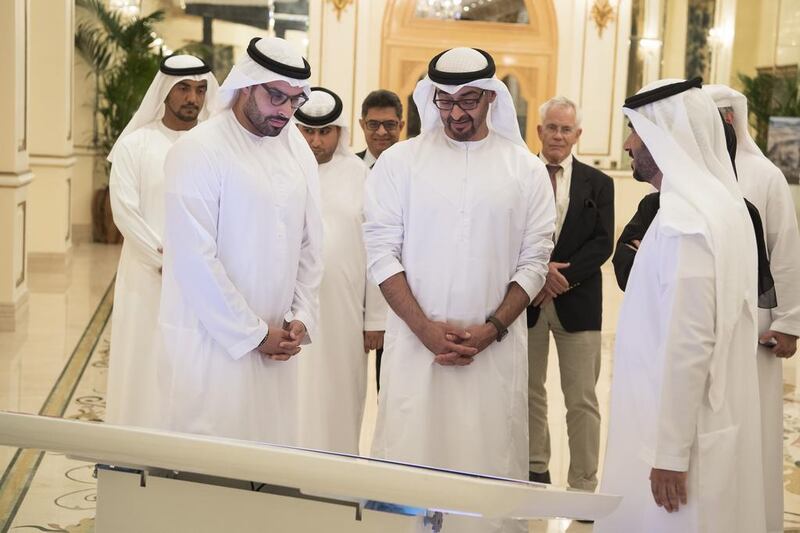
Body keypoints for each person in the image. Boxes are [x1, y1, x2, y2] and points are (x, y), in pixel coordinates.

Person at [363, 47, 555, 533]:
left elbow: (534, 261)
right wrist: (424, 329)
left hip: (493, 354)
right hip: (415, 350)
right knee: (411, 461)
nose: (455, 113)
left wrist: (493, 328)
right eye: (444, 101)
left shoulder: (525, 170)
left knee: (486, 465)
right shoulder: (400, 164)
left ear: (491, 98)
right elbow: (381, 254)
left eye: (468, 100)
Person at [595, 78, 766, 533]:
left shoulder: (683, 220)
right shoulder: (720, 208)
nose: (629, 145)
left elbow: (689, 342)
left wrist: (668, 453)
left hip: (675, 440)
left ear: (662, 136)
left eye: (635, 132)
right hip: (704, 421)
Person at [158, 37, 323, 444]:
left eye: (295, 100)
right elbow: (194, 259)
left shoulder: (296, 150)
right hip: (213, 345)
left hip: (280, 344)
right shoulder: (198, 149)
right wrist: (253, 333)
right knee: (213, 468)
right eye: (276, 97)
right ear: (247, 84)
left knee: (271, 462)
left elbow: (310, 245)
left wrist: (301, 317)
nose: (285, 111)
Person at [706, 84, 800, 533]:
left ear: (732, 121)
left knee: (754, 428)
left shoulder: (764, 175)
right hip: (705, 324)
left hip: (756, 328)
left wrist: (789, 323)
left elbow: (786, 254)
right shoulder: (694, 172)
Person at [106, 54, 218, 428]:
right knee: (142, 360)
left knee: (194, 369)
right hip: (147, 277)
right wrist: (167, 260)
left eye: (201, 89)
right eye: (184, 88)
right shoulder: (135, 145)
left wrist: (200, 263)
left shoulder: (214, 145)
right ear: (165, 91)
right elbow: (125, 212)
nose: (193, 98)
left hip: (205, 280)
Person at [526, 97, 614, 494]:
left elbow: (602, 244)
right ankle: (534, 469)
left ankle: (583, 483)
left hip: (578, 306)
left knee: (581, 398)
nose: (558, 135)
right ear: (539, 130)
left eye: (566, 129)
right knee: (529, 392)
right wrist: (538, 275)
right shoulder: (519, 174)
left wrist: (560, 278)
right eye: (552, 127)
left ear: (578, 135)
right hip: (525, 303)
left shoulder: (600, 183)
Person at [293, 87, 387, 454]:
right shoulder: (280, 167)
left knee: (339, 392)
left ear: (340, 132)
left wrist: (375, 318)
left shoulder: (361, 176)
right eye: (307, 131)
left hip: (345, 314)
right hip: (288, 308)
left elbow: (378, 250)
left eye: (325, 131)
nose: (316, 141)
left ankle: (335, 473)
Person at [356, 89, 405, 169]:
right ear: (362, 125)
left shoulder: (414, 170)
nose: (381, 132)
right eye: (373, 124)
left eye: (389, 124)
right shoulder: (346, 168)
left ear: (401, 126)